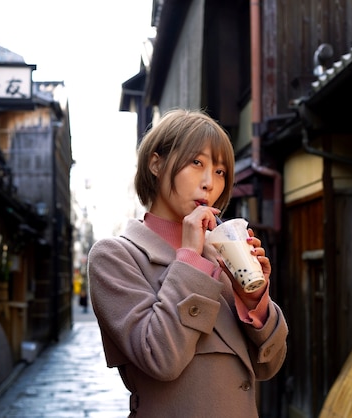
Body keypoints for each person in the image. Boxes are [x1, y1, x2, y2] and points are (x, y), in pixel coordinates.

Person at [87, 109, 288, 417]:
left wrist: (253, 301)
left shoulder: (221, 253)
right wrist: (191, 258)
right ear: (156, 163)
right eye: (197, 163)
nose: (209, 183)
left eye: (220, 171)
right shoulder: (115, 256)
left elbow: (268, 365)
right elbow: (161, 359)